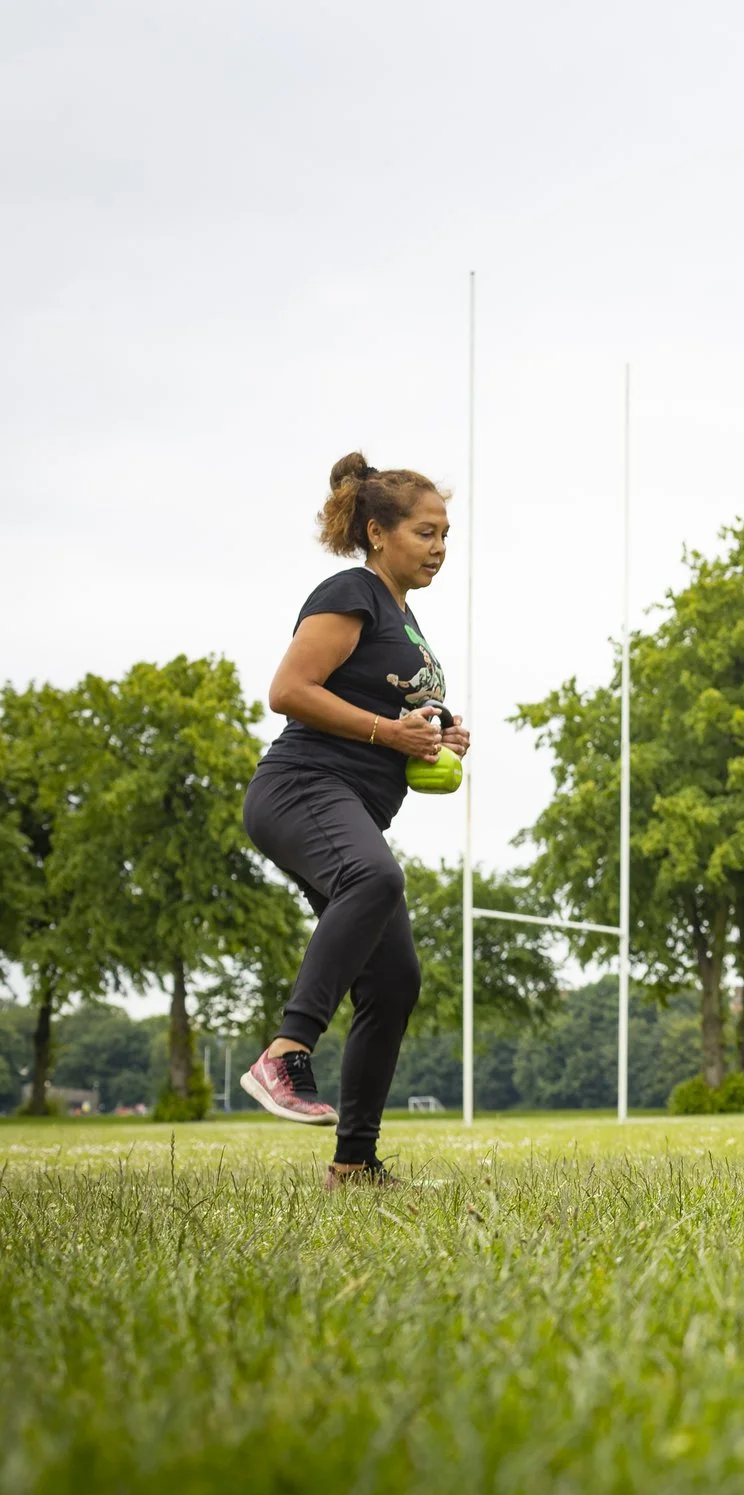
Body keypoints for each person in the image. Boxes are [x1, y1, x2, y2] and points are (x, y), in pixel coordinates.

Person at [236, 453, 468, 1189]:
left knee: (394, 980)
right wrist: (389, 732)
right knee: (374, 876)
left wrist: (436, 733)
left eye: (446, 534)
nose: (439, 546)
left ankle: (354, 1163)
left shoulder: (405, 618)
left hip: (351, 801)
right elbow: (288, 690)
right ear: (377, 531)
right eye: (425, 532)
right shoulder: (352, 591)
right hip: (302, 786)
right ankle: (286, 1052)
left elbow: (389, 708)